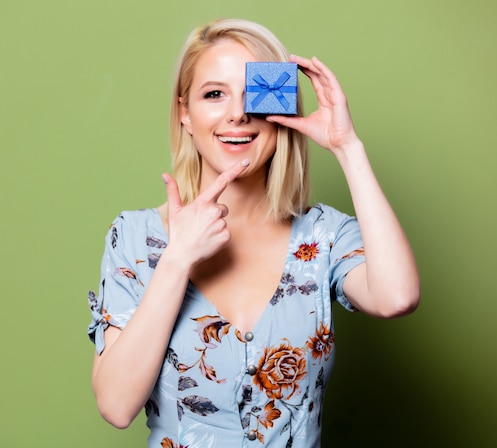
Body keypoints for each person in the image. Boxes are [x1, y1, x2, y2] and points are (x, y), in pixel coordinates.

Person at [87, 18, 420, 447]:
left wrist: (347, 147)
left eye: (254, 94)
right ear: (184, 112)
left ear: (281, 108)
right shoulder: (134, 237)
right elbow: (115, 406)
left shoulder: (324, 236)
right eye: (214, 94)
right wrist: (176, 260)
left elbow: (397, 297)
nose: (238, 113)